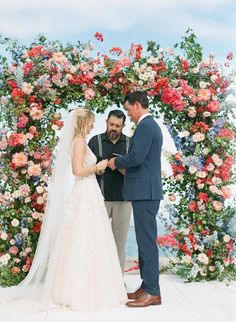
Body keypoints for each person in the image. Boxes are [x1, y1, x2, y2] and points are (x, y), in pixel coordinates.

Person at [0, 108, 127, 315]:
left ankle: (94, 285)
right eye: (91, 123)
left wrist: (97, 168)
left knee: (92, 238)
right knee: (82, 238)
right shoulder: (78, 142)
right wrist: (98, 166)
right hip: (84, 192)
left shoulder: (81, 141)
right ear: (83, 123)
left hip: (90, 193)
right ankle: (78, 290)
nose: (93, 126)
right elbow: (77, 171)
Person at [108, 91, 163, 308]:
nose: (128, 115)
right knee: (143, 241)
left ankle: (153, 292)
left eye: (129, 110)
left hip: (145, 193)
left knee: (147, 242)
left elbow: (136, 158)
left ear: (137, 105)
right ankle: (146, 285)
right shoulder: (148, 126)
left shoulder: (146, 126)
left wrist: (116, 163)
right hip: (144, 191)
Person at [88, 109, 131, 273]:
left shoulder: (130, 143)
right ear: (106, 122)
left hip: (124, 200)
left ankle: (119, 282)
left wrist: (121, 167)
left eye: (117, 126)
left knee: (119, 244)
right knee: (97, 242)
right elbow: (84, 167)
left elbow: (137, 171)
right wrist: (96, 169)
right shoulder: (94, 141)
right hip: (99, 200)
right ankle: (97, 280)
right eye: (111, 124)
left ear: (123, 126)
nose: (114, 128)